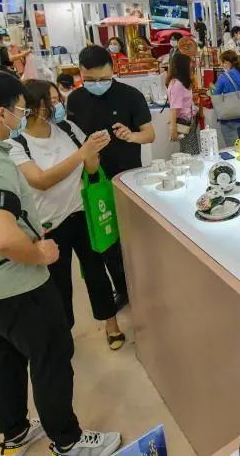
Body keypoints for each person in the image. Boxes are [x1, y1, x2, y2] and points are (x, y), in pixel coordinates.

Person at [0, 70, 120, 456]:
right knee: (51, 355)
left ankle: (15, 430)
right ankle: (68, 441)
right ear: (0, 113)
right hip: (16, 282)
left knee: (6, 355)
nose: (23, 115)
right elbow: (2, 236)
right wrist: (39, 254)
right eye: (19, 109)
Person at [7, 79, 125, 351]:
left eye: (58, 98)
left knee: (97, 271)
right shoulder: (17, 145)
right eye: (51, 101)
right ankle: (63, 334)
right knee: (58, 283)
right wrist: (82, 153)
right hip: (49, 223)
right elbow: (41, 180)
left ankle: (111, 323)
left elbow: (91, 170)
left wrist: (93, 151)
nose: (58, 105)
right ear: (33, 107)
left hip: (81, 213)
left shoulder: (68, 129)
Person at [67, 46, 152, 309]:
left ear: (112, 69)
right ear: (80, 72)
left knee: (133, 236)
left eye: (103, 78)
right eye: (89, 79)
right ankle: (123, 288)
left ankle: (144, 287)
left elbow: (149, 134)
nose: (96, 84)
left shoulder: (130, 96)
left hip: (128, 178)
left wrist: (131, 136)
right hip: (93, 180)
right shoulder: (75, 99)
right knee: (106, 239)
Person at [212, 49, 240, 145]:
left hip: (229, 119)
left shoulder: (223, 77)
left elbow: (215, 96)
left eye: (223, 62)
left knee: (233, 148)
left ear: (228, 62)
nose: (222, 65)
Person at [166, 52, 199, 154]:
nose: (191, 66)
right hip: (184, 122)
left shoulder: (180, 82)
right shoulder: (177, 85)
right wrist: (173, 128)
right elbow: (174, 108)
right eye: (189, 64)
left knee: (190, 149)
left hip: (188, 120)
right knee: (189, 151)